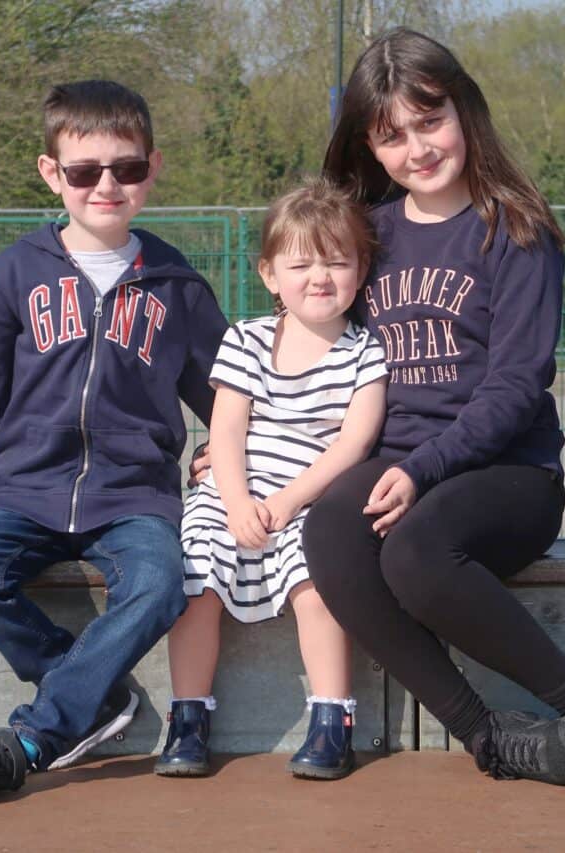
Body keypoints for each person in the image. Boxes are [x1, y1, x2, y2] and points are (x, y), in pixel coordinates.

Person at [307, 28, 565, 796]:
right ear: (370, 147)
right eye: (392, 135)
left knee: (412, 551)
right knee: (329, 529)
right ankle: (491, 735)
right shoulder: (366, 234)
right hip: (399, 463)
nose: (418, 147)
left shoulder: (516, 230)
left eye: (429, 121)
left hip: (508, 472)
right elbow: (304, 336)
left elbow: (515, 387)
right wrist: (237, 446)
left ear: (465, 111)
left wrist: (420, 468)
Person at [0, 80, 228, 804]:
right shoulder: (14, 274)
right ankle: (97, 699)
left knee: (160, 582)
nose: (107, 185)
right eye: (84, 171)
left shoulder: (178, 285)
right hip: (23, 492)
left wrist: (222, 453)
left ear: (152, 168)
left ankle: (35, 737)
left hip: (134, 498)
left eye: (127, 168)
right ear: (53, 174)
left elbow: (226, 395)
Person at [154, 178, 388, 780]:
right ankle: (188, 717)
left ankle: (332, 719)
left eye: (337, 262)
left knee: (319, 578)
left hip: (309, 496)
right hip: (233, 491)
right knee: (196, 569)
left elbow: (353, 443)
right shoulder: (247, 339)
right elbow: (227, 432)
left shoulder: (366, 352)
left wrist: (286, 502)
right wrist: (235, 502)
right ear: (269, 274)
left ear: (360, 272)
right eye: (301, 263)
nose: (320, 277)